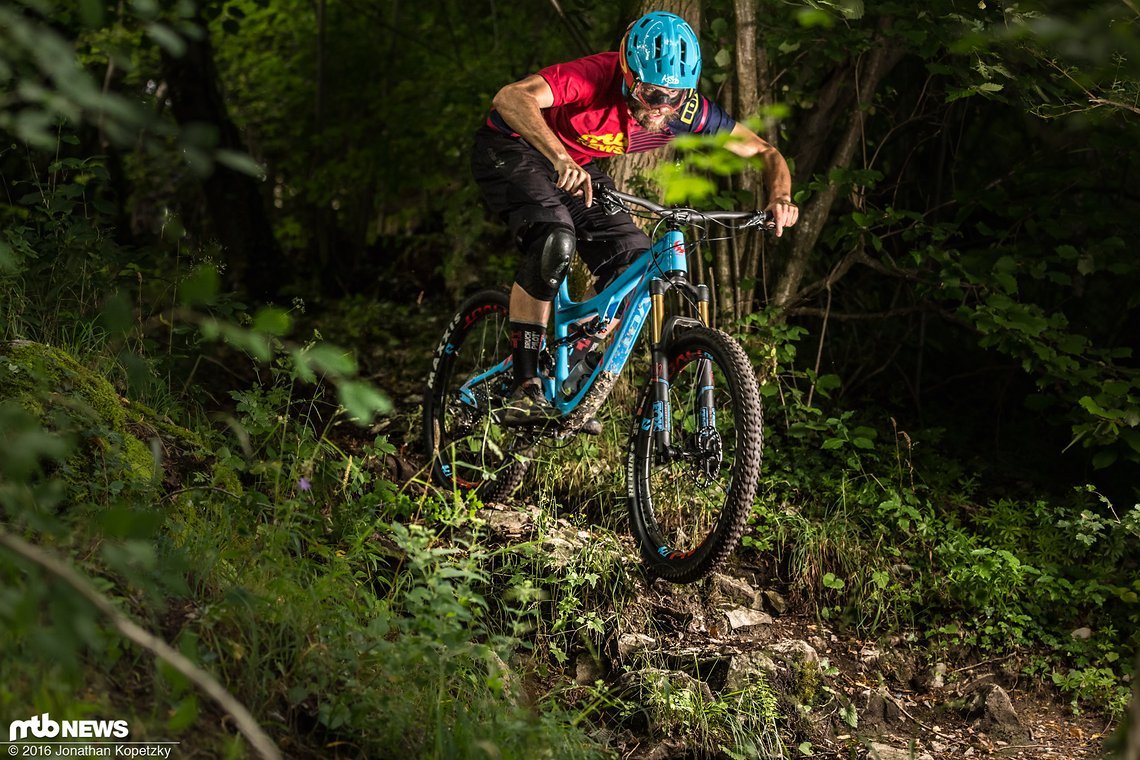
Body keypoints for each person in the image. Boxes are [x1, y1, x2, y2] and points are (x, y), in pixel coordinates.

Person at [471, 10, 799, 425]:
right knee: (555, 238)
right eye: (652, 94)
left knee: (637, 261)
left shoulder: (686, 110)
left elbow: (766, 152)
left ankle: (573, 361)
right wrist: (559, 156)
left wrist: (781, 196)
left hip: (576, 166)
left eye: (675, 96)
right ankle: (524, 385)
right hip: (512, 148)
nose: (663, 108)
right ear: (628, 74)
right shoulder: (594, 76)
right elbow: (510, 97)